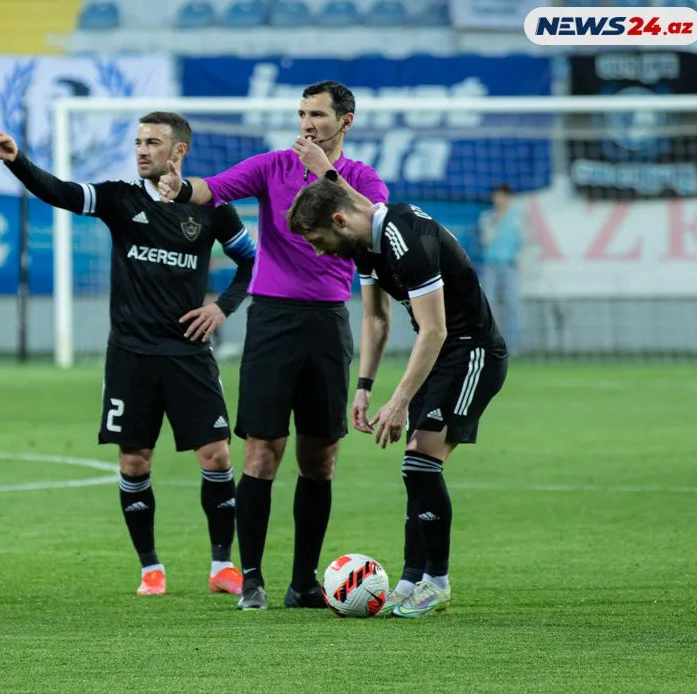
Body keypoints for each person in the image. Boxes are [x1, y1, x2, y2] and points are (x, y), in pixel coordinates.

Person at [0, 112, 257, 598]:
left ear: (179, 151)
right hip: (130, 356)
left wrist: (222, 310)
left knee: (216, 454)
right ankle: (151, 568)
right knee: (133, 463)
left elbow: (252, 262)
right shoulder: (118, 198)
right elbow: (59, 191)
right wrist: (17, 161)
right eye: (138, 142)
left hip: (189, 356)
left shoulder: (212, 206)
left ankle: (222, 566)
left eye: (153, 142)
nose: (143, 150)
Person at [158, 81, 389, 610]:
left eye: (318, 115)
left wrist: (322, 173)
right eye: (302, 113)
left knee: (321, 459)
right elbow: (212, 188)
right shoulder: (271, 166)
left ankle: (304, 582)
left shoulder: (358, 178)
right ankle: (255, 579)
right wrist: (179, 186)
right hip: (272, 321)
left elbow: (373, 223)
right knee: (262, 452)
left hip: (329, 323)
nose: (307, 124)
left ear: (345, 122)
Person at [286, 180, 509, 618]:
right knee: (416, 470)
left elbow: (436, 329)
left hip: (472, 350)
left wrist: (400, 400)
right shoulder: (362, 245)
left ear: (339, 221)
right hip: (440, 355)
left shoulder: (406, 239)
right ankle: (409, 581)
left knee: (421, 461)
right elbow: (374, 316)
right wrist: (365, 387)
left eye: (317, 241)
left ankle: (437, 584)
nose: (317, 252)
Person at [477, 183, 524, 356]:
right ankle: (490, 344)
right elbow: (485, 240)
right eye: (496, 195)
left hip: (510, 265)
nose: (499, 199)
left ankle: (514, 347)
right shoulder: (486, 217)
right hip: (490, 265)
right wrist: (495, 222)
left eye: (502, 195)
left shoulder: (517, 217)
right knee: (489, 305)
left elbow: (523, 241)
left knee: (513, 305)